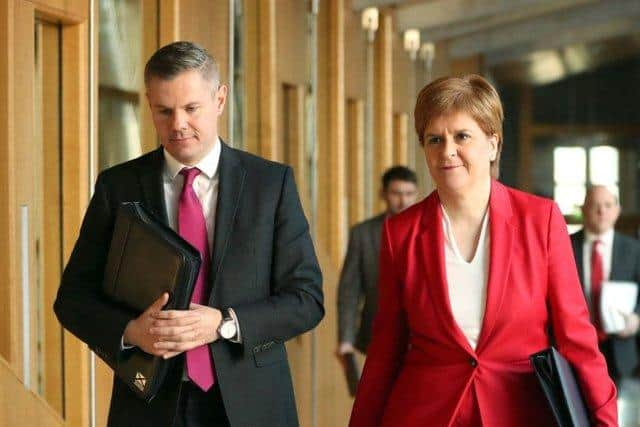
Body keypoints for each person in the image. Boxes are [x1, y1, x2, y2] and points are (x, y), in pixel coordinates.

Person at [54, 41, 324, 427]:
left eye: (191, 108)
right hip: (149, 405)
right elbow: (73, 298)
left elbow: (306, 299)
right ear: (149, 104)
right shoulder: (118, 186)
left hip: (253, 403)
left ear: (219, 99)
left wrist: (223, 322)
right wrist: (132, 331)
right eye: (164, 111)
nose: (177, 124)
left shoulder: (271, 184)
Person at [348, 74, 617, 426]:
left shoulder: (541, 220)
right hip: (426, 414)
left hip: (520, 412)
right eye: (434, 139)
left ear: (492, 144)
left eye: (462, 136)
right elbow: (386, 350)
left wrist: (605, 420)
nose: (447, 151)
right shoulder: (400, 233)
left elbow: (576, 338)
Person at [337, 166, 417, 358]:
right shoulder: (362, 234)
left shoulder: (432, 231)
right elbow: (350, 291)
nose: (403, 201)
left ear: (417, 194)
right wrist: (346, 340)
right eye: (396, 193)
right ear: (383, 194)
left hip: (421, 337)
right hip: (376, 335)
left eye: (409, 194)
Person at [571, 185, 640, 381]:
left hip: (621, 351)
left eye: (608, 205)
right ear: (583, 210)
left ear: (617, 211)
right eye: (595, 205)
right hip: (576, 350)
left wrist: (637, 319)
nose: (602, 211)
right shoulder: (564, 246)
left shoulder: (634, 249)